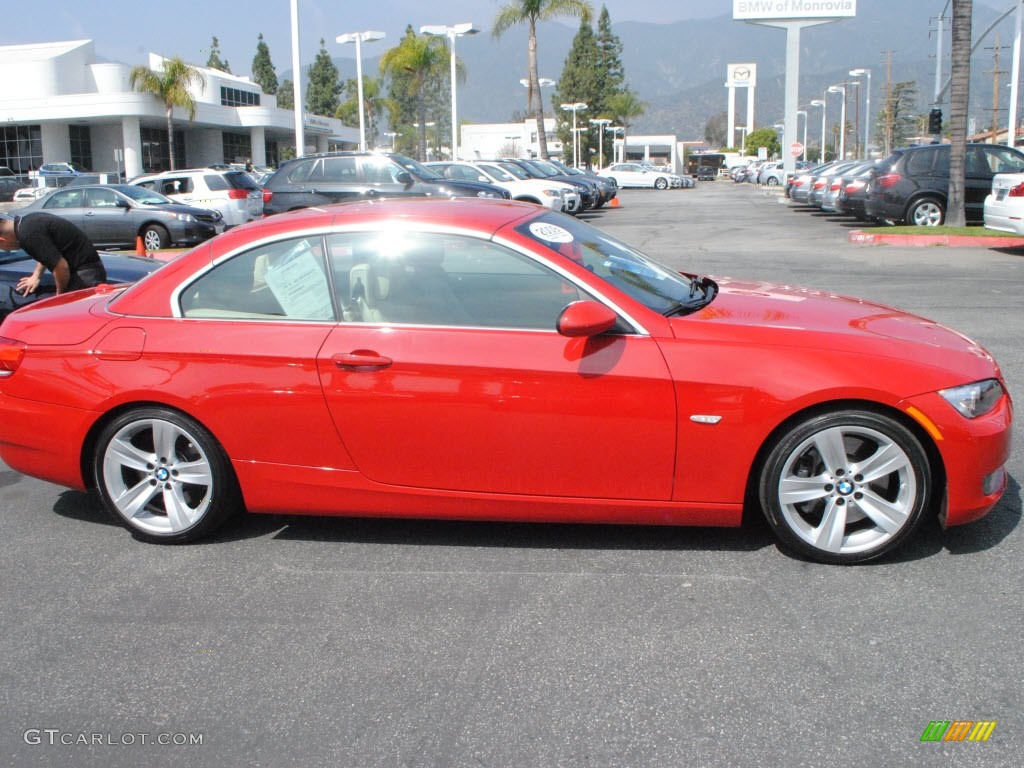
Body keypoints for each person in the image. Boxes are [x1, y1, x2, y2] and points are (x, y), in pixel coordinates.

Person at [0, 212, 107, 296]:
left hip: (84, 276)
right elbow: (47, 253)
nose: (6, 249)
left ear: (2, 240)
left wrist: (60, 296)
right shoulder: (29, 221)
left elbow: (61, 267)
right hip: (91, 270)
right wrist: (36, 276)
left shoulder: (28, 236)